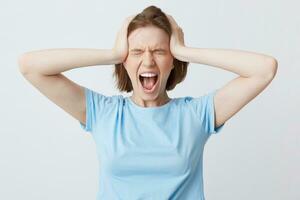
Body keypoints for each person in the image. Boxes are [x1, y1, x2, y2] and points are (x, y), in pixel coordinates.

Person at [18, 5, 278, 200]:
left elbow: (264, 69)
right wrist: (112, 53)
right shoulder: (103, 113)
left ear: (172, 60)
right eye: (137, 52)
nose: (149, 61)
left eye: (160, 51)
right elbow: (30, 66)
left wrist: (185, 51)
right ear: (125, 61)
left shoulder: (196, 115)